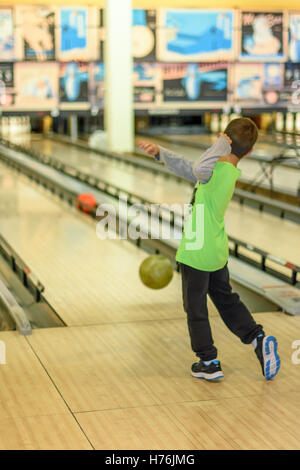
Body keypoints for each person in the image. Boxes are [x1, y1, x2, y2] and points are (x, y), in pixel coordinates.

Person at [139, 117, 281, 381]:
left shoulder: (214, 168)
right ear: (249, 152)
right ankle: (257, 338)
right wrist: (162, 154)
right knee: (226, 300)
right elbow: (193, 169)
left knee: (195, 307)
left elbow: (198, 169)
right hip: (215, 247)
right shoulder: (224, 171)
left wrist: (220, 144)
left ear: (223, 141)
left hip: (197, 249)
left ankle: (208, 361)